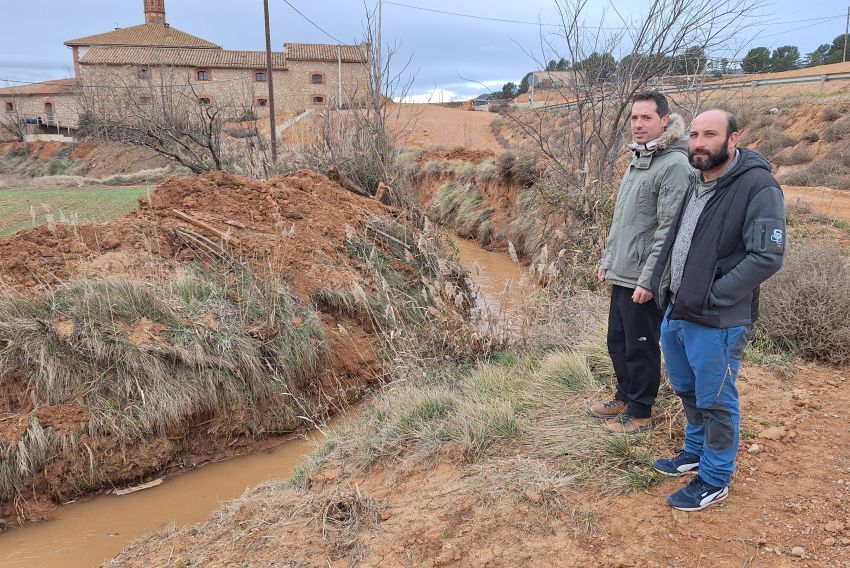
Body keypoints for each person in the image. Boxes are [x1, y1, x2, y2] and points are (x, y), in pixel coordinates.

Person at [650, 109, 785, 511]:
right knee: (687, 388)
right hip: (678, 310)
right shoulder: (696, 181)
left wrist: (713, 295)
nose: (698, 142)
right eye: (693, 134)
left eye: (710, 134)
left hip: (718, 319)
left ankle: (715, 477)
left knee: (716, 399)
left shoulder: (758, 186)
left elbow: (767, 256)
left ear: (734, 138)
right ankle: (693, 453)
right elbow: (678, 242)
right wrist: (666, 291)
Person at [591, 91, 691, 434]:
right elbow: (624, 220)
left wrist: (649, 281)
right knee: (617, 340)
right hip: (623, 269)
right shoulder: (641, 159)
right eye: (634, 118)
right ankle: (624, 395)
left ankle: (640, 413)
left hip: (643, 278)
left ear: (665, 120)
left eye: (646, 118)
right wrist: (608, 259)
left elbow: (667, 231)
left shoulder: (674, 165)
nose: (637, 124)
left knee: (641, 345)